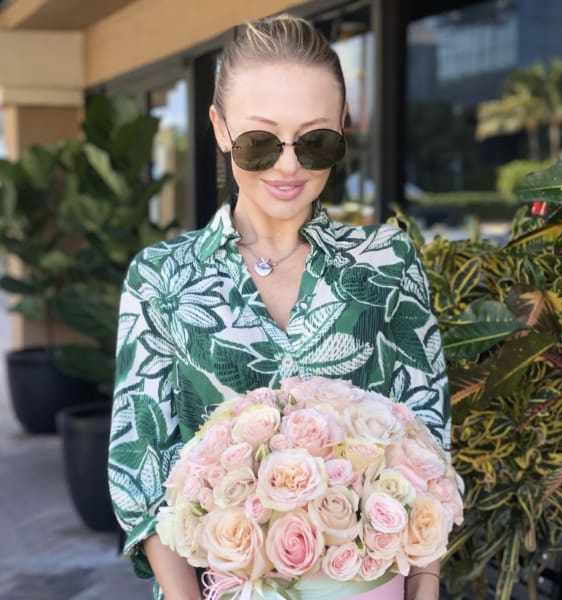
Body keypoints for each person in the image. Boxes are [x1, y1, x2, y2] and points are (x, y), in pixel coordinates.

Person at [108, 13, 450, 600]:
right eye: (260, 142)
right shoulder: (161, 279)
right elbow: (140, 471)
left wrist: (425, 586)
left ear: (343, 127)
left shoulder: (387, 262)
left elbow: (428, 444)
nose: (288, 166)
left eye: (315, 141)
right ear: (220, 129)